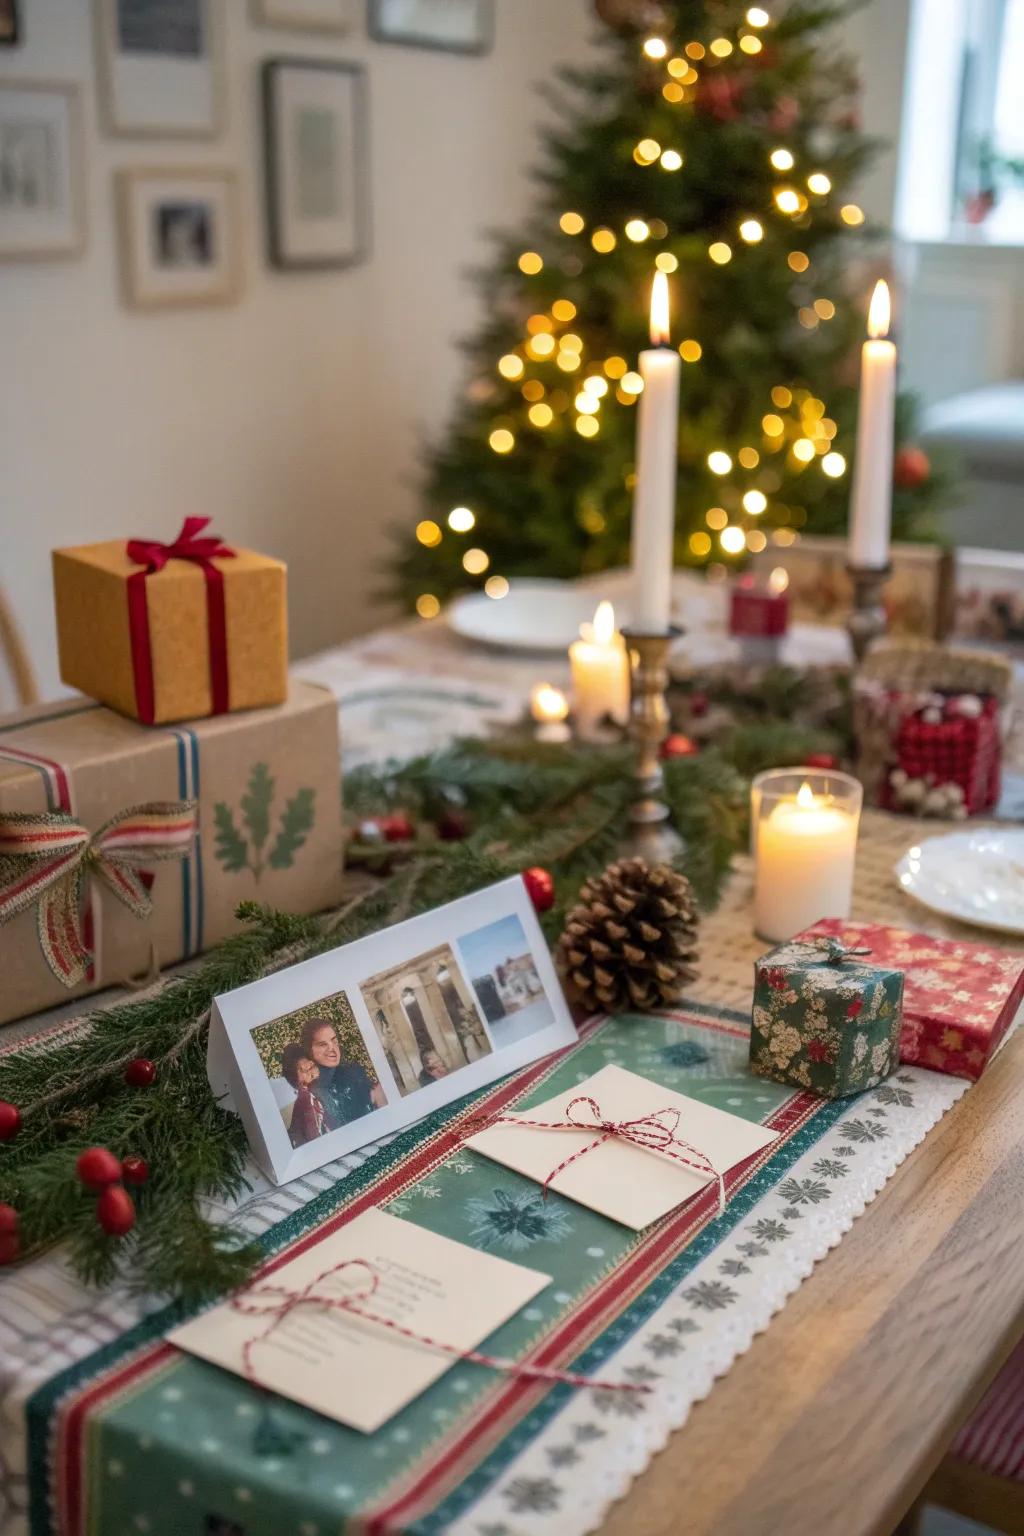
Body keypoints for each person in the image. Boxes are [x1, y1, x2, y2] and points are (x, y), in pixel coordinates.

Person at [300, 1017, 384, 1126]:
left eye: (334, 1041)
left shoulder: (355, 1072)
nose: (333, 1049)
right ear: (309, 1051)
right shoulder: (313, 1094)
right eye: (323, 1044)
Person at [280, 1044, 331, 1149]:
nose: (313, 1070)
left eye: (312, 1066)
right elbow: (315, 1138)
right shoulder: (306, 1098)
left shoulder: (315, 1096)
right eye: (307, 1069)